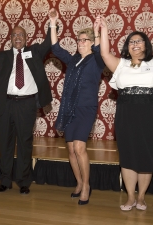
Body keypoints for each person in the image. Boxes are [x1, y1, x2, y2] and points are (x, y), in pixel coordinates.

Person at [98, 16, 153, 211]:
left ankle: (141, 197)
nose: (135, 44)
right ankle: (130, 197)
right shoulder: (120, 65)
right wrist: (104, 28)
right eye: (131, 42)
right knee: (129, 156)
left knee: (147, 155)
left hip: (150, 114)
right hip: (126, 114)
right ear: (127, 47)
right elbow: (104, 53)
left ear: (146, 45)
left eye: (139, 41)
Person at [0, 20, 53, 194]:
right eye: (14, 35)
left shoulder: (34, 52)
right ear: (10, 38)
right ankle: (5, 180)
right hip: (6, 104)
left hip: (27, 104)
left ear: (26, 38)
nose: (18, 37)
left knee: (24, 143)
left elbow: (48, 43)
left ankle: (24, 181)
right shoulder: (3, 56)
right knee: (5, 144)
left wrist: (52, 23)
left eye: (21, 35)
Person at [49, 9, 105, 205]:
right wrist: (53, 23)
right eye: (79, 40)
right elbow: (55, 49)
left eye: (84, 40)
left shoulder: (97, 60)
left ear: (91, 42)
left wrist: (97, 31)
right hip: (69, 108)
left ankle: (87, 186)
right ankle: (80, 182)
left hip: (86, 109)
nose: (80, 43)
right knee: (71, 149)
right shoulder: (73, 60)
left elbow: (100, 50)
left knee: (80, 147)